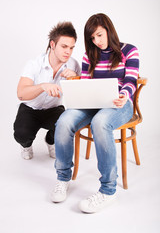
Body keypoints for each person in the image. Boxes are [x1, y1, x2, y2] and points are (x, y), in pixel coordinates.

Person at [51, 13, 139, 213]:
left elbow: (131, 81)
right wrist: (79, 87)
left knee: (100, 123)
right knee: (64, 121)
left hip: (120, 104)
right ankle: (62, 178)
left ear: (109, 29)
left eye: (99, 35)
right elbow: (86, 84)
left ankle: (108, 191)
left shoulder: (130, 51)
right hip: (92, 103)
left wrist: (124, 95)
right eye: (92, 38)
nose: (96, 41)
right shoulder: (89, 55)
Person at [13, 22, 81, 160]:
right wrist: (42, 86)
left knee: (67, 123)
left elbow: (81, 93)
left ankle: (51, 141)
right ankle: (26, 145)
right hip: (30, 108)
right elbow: (21, 93)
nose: (68, 51)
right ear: (52, 44)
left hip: (53, 109)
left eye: (71, 48)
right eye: (64, 46)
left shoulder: (74, 65)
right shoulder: (34, 64)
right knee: (21, 134)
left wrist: (75, 78)